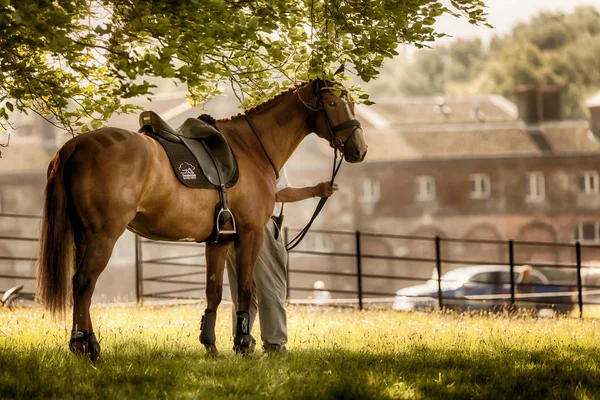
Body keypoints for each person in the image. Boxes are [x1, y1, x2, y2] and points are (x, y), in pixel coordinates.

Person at [226, 166, 338, 353]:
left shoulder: (235, 149)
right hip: (261, 224)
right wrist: (314, 191)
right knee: (272, 285)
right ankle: (275, 343)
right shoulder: (268, 154)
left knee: (243, 288)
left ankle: (242, 340)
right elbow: (278, 193)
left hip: (232, 223)